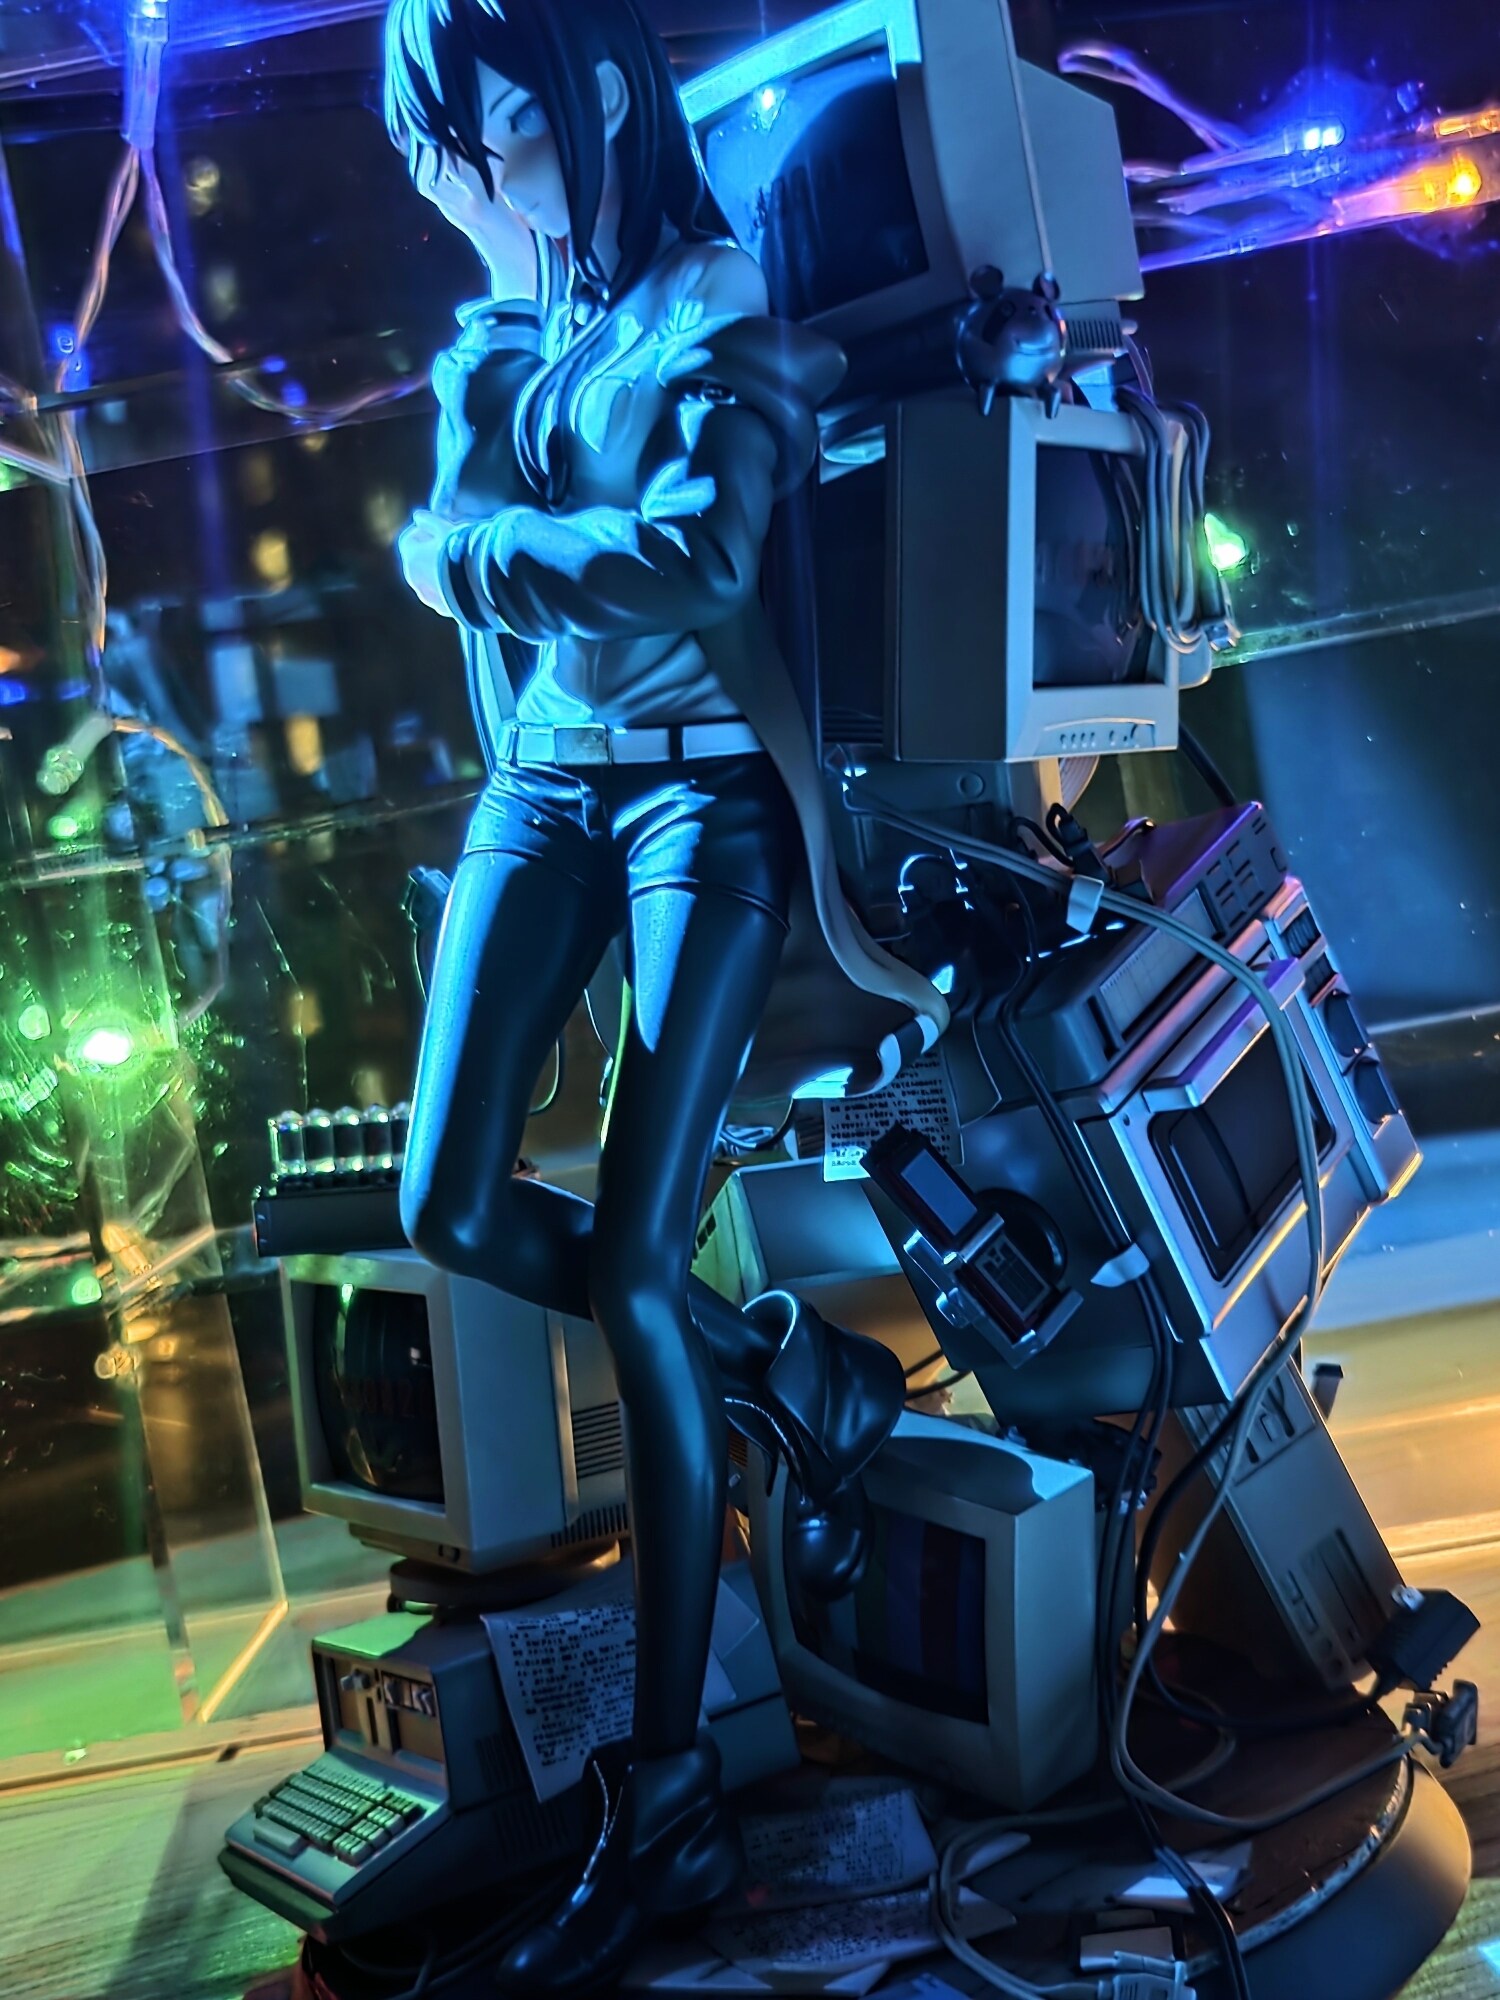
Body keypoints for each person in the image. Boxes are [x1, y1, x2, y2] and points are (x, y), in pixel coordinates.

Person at [383, 1, 949, 1989]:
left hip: (704, 798)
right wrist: (500, 315)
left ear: (599, 97)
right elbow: (498, 516)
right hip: (546, 790)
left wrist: (474, 557)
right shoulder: (503, 329)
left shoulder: (715, 295)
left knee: (631, 1268)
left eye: (503, 130)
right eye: (448, 152)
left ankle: (668, 1802)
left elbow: (693, 565)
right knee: (445, 1201)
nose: (480, 177)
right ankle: (789, 1372)